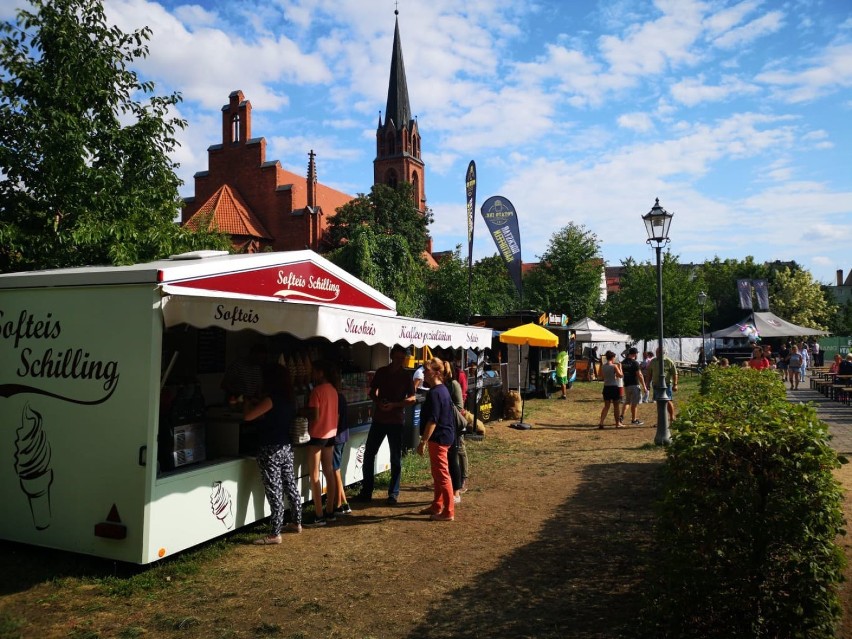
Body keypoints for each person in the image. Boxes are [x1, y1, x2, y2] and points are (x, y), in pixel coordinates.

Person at [243, 363, 302, 543]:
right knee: (290, 485)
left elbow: (248, 417)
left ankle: (275, 533)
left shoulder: (271, 399)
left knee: (274, 490)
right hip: (285, 446)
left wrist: (246, 402)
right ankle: (297, 522)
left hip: (270, 449)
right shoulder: (290, 399)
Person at [354, 344, 416, 505]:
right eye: (397, 358)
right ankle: (366, 491)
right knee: (368, 455)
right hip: (379, 419)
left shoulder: (405, 376)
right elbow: (372, 391)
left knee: (395, 458)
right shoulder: (382, 372)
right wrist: (378, 402)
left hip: (396, 421)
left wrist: (395, 405)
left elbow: (413, 398)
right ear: (391, 357)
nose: (400, 361)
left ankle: (393, 493)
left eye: (402, 359)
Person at [417, 358, 455, 521]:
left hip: (439, 438)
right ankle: (437, 505)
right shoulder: (442, 390)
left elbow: (433, 420)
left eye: (426, 370)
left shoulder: (435, 392)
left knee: (442, 474)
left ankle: (448, 511)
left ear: (436, 373)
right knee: (437, 473)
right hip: (444, 436)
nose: (423, 373)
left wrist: (423, 441)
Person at [303, 359, 338, 527]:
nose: (312, 374)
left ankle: (318, 515)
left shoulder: (316, 391)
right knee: (329, 472)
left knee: (315, 474)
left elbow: (315, 416)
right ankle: (330, 511)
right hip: (331, 434)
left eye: (314, 371)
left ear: (320, 372)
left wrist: (302, 412)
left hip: (317, 435)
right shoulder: (333, 390)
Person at [330, 365, 352, 517]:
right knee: (336, 469)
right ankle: (344, 503)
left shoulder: (335, 397)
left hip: (336, 437)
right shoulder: (341, 396)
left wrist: (330, 435)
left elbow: (336, 419)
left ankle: (338, 504)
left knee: (335, 469)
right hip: (342, 437)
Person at [649, 347, 678, 423]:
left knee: (668, 401)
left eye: (658, 352)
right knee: (659, 402)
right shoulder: (653, 361)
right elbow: (649, 373)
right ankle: (661, 420)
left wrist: (675, 384)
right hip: (656, 385)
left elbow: (675, 373)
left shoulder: (668, 361)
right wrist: (647, 383)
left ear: (663, 353)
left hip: (666, 385)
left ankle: (672, 417)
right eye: (656, 352)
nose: (657, 353)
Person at [619, 347, 647, 425]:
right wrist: (644, 386)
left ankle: (621, 416)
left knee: (627, 401)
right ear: (634, 354)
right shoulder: (635, 363)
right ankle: (634, 420)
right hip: (634, 384)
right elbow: (640, 375)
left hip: (626, 385)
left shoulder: (623, 362)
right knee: (634, 404)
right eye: (637, 353)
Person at [598, 351, 624, 429]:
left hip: (606, 387)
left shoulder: (603, 366)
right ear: (612, 358)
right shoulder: (614, 366)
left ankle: (601, 422)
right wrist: (620, 368)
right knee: (616, 406)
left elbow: (601, 376)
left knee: (606, 406)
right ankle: (617, 423)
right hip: (613, 387)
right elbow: (620, 375)